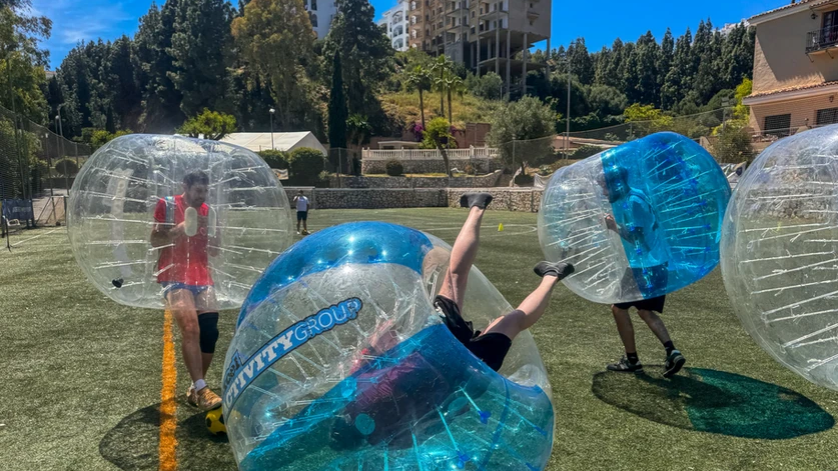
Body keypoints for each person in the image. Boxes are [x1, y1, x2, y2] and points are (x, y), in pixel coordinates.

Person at [330, 192, 573, 449]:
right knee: (455, 276)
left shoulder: (396, 441)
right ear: (343, 420)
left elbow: (439, 420)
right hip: (435, 346)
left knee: (513, 321)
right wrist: (394, 323)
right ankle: (477, 206)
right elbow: (375, 348)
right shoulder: (354, 396)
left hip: (467, 375)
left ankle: (553, 275)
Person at [598, 165, 686, 378]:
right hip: (657, 263)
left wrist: (613, 227)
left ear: (616, 185)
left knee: (618, 309)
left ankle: (632, 361)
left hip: (644, 267)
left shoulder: (633, 203)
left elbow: (639, 241)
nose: (604, 193)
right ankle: (671, 351)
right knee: (645, 311)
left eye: (606, 188)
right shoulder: (637, 195)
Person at [150, 170, 223, 411]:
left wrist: (215, 233)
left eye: (205, 191)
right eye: (197, 191)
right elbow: (155, 241)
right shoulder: (168, 205)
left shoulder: (208, 211)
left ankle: (195, 388)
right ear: (186, 187)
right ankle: (202, 388)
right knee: (191, 328)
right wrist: (181, 227)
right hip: (174, 274)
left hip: (202, 274)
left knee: (210, 331)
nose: (202, 196)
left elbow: (214, 251)